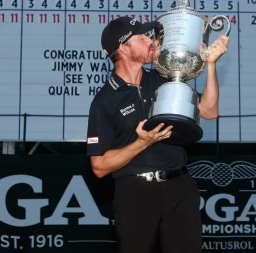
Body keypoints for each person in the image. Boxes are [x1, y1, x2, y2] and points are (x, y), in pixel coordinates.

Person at [86, 15, 229, 253]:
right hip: (135, 192)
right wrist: (142, 143)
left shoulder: (163, 78)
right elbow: (99, 166)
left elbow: (209, 111)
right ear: (124, 48)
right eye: (142, 37)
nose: (151, 40)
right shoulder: (104, 101)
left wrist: (211, 65)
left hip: (179, 186)